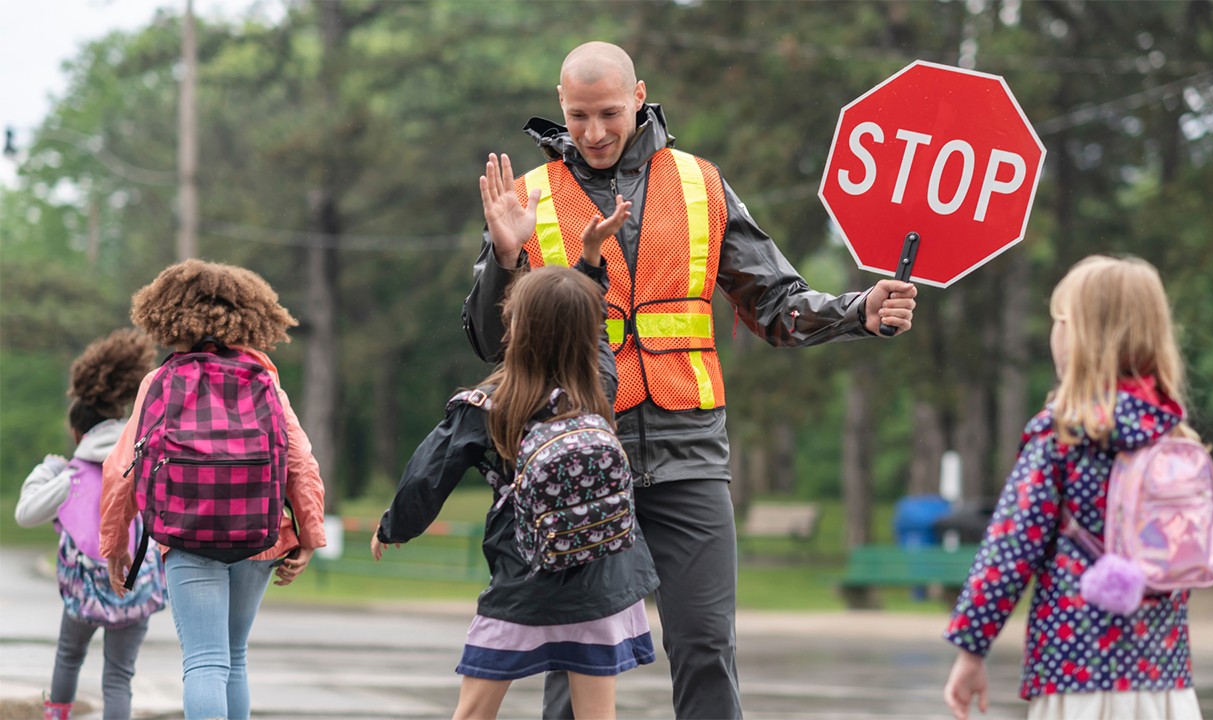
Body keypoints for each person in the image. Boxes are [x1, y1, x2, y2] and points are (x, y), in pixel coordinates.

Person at [462, 41, 917, 719]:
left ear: (639, 96)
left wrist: (859, 310)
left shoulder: (701, 184)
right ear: (561, 106)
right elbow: (488, 341)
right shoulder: (525, 201)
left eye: (609, 113)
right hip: (581, 458)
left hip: (689, 455)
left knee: (706, 644)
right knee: (579, 663)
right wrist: (503, 256)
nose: (593, 133)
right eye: (578, 115)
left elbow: (776, 303)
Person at [374, 197, 660, 720]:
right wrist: (592, 262)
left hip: (522, 584)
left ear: (516, 329)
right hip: (602, 585)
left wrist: (394, 527)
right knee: (598, 715)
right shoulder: (597, 388)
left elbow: (429, 473)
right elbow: (588, 326)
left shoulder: (490, 406)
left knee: (475, 711)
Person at [942, 255, 1205, 720]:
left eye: (1059, 320)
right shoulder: (1174, 438)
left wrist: (971, 649)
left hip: (1076, 672)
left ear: (1078, 337)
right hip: (1163, 679)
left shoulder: (1062, 436)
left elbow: (1008, 551)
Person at [99, 259, 328, 720]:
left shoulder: (159, 381)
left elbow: (122, 468)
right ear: (249, 314)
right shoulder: (265, 380)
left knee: (205, 660)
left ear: (168, 315)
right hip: (257, 536)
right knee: (234, 657)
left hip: (186, 534)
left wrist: (114, 543)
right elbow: (300, 460)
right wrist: (309, 533)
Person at [15, 329, 164, 720]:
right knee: (118, 677)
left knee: (68, 657)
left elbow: (25, 514)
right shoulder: (143, 466)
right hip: (135, 589)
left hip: (84, 594)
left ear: (79, 432)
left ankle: (57, 716)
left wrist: (47, 470)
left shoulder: (70, 478)